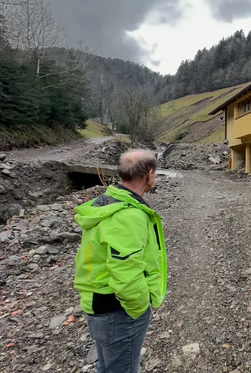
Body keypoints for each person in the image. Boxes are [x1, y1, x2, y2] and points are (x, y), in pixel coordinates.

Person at [73, 149, 167, 373]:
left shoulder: (106, 202)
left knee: (107, 366)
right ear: (149, 174)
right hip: (118, 310)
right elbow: (125, 271)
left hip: (99, 301)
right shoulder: (128, 215)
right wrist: (139, 308)